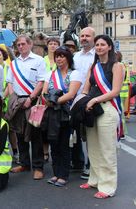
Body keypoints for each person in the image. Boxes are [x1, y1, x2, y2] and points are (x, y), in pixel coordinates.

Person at [79, 35, 123, 199]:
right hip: (92, 109)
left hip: (107, 108)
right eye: (97, 45)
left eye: (103, 44)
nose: (99, 47)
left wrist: (95, 99)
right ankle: (95, 180)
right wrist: (82, 100)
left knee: (107, 149)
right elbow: (86, 88)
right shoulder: (94, 66)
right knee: (93, 148)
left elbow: (115, 91)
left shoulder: (117, 66)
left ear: (110, 47)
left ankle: (108, 186)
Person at [6, 35, 47, 180]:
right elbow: (9, 82)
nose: (21, 47)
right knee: (19, 133)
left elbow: (41, 82)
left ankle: (38, 167)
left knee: (35, 135)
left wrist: (30, 98)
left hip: (33, 101)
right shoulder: (13, 63)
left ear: (30, 45)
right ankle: (24, 163)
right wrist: (13, 99)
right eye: (18, 45)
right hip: (17, 101)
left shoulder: (39, 60)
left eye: (23, 44)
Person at [41, 46, 82, 187]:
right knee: (53, 144)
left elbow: (71, 94)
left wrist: (53, 101)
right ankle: (55, 173)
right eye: (57, 56)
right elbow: (44, 92)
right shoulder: (50, 74)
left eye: (62, 56)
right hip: (51, 114)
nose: (59, 58)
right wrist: (49, 100)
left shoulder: (75, 73)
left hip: (66, 113)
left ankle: (63, 175)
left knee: (64, 145)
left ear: (68, 58)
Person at [73, 27, 96, 180]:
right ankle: (78, 163)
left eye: (87, 36)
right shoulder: (75, 56)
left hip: (91, 100)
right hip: (75, 100)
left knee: (92, 136)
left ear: (93, 38)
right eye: (82, 36)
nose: (84, 38)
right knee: (76, 134)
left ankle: (92, 166)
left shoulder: (99, 55)